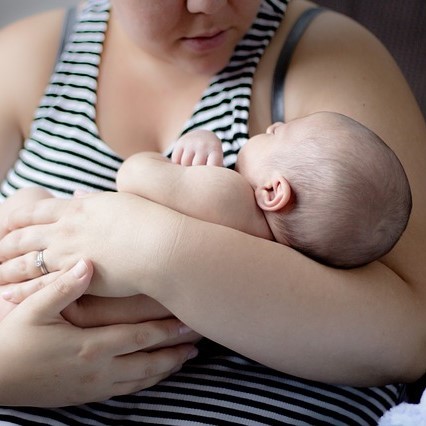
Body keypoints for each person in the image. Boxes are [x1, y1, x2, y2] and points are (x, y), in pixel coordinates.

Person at [0, 0, 424, 424]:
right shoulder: (24, 58)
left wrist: (152, 246)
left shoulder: (327, 59)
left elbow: (414, 338)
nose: (208, 3)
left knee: (27, 208)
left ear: (274, 192)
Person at [117, 111, 412, 269]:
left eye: (278, 133)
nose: (273, 125)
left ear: (272, 191)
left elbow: (133, 174)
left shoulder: (228, 195)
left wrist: (195, 145)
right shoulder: (281, 266)